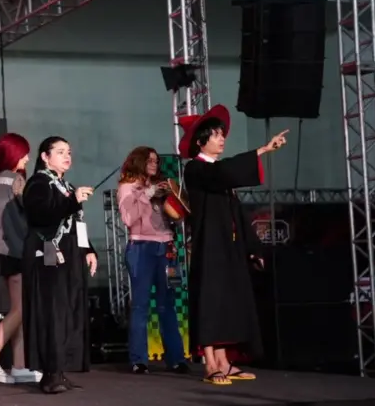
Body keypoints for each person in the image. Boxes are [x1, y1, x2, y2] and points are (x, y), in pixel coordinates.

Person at [180, 105, 287, 386]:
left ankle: (224, 362)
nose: (221, 139)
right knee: (211, 303)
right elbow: (222, 173)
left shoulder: (221, 175)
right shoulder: (196, 169)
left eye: (222, 135)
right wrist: (261, 150)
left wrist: (252, 248)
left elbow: (237, 215)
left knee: (228, 302)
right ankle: (210, 364)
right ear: (201, 141)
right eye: (216, 135)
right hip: (209, 248)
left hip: (228, 248)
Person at [20, 136, 97, 395]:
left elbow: (77, 222)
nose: (67, 156)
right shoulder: (38, 184)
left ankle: (61, 369)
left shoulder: (66, 186)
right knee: (51, 311)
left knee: (68, 310)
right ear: (45, 156)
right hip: (47, 253)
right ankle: (50, 373)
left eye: (69, 152)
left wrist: (88, 250)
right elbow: (41, 215)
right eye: (60, 152)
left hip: (70, 254)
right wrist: (72, 200)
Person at [0, 132, 41, 384]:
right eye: (24, 153)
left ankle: (19, 366)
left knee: (17, 309)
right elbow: (34, 212)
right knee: (20, 310)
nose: (27, 158)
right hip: (16, 250)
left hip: (0, 251)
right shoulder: (16, 181)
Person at [117, 146, 189, 375]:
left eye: (156, 161)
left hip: (166, 246)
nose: (154, 164)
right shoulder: (128, 186)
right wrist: (147, 194)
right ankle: (139, 359)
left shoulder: (161, 185)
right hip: (141, 247)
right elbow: (128, 218)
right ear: (138, 161)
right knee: (140, 305)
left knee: (167, 304)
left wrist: (172, 199)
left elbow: (179, 216)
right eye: (149, 160)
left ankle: (176, 358)